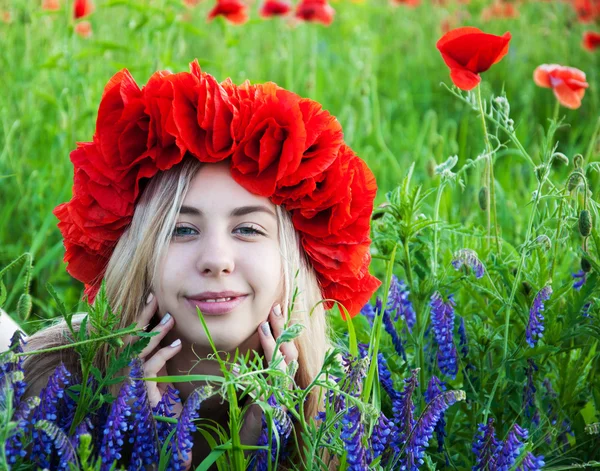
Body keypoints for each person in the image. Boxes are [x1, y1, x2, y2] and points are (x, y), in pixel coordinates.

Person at [19, 61, 381, 469]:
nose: (216, 261)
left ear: (294, 261)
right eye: (182, 230)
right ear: (136, 254)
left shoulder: (341, 425)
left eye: (247, 229)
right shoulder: (37, 385)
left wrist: (248, 457)